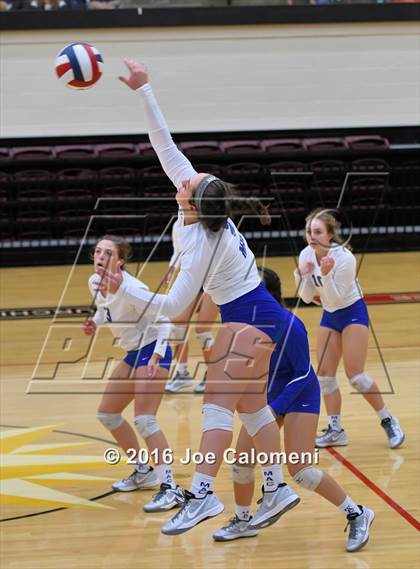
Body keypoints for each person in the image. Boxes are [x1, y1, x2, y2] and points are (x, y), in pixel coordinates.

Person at [99, 58, 301, 536]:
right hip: (263, 316)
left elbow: (172, 307)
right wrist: (144, 89)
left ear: (190, 201)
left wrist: (125, 285)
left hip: (252, 319)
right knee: (251, 410)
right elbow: (163, 145)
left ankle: (204, 497)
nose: (184, 175)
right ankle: (277, 487)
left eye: (189, 180)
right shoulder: (198, 209)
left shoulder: (202, 247)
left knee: (215, 409)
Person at [213, 266, 374, 553]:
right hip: (268, 400)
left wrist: (274, 408)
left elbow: (302, 374)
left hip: (299, 395)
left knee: (301, 469)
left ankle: (357, 513)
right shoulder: (245, 324)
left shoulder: (289, 325)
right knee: (240, 464)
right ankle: (242, 520)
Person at [83, 234, 183, 513]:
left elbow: (164, 321)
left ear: (121, 261)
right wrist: (94, 322)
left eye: (108, 254)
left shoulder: (133, 288)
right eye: (98, 252)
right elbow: (106, 311)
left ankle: (170, 487)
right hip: (132, 352)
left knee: (145, 419)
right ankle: (143, 471)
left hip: (153, 350)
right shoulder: (94, 282)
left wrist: (157, 355)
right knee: (108, 414)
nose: (100, 257)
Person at [294, 209, 404, 449]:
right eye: (309, 232)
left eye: (318, 232)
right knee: (324, 376)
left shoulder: (344, 258)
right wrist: (302, 277)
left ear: (331, 234)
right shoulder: (305, 255)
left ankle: (388, 420)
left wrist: (324, 275)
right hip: (330, 315)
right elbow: (305, 297)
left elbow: (336, 297)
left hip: (352, 312)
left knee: (356, 377)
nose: (312, 236)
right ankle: (336, 430)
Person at [163, 221, 218, 394]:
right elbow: (178, 251)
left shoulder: (210, 222)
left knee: (202, 329)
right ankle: (182, 373)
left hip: (214, 278)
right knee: (177, 323)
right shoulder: (178, 224)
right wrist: (172, 269)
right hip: (192, 278)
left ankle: (213, 375)